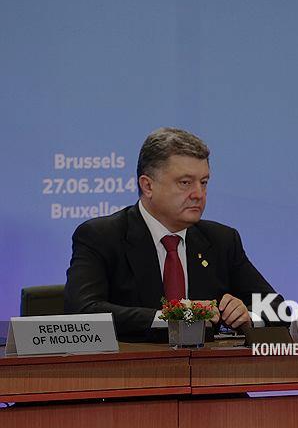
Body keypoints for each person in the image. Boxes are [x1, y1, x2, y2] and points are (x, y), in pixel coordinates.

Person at [65, 127, 283, 339]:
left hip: (207, 363)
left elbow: (278, 308)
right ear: (148, 186)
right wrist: (176, 317)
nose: (198, 194)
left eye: (204, 182)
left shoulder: (222, 240)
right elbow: (83, 311)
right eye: (185, 183)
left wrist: (248, 316)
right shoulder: (101, 236)